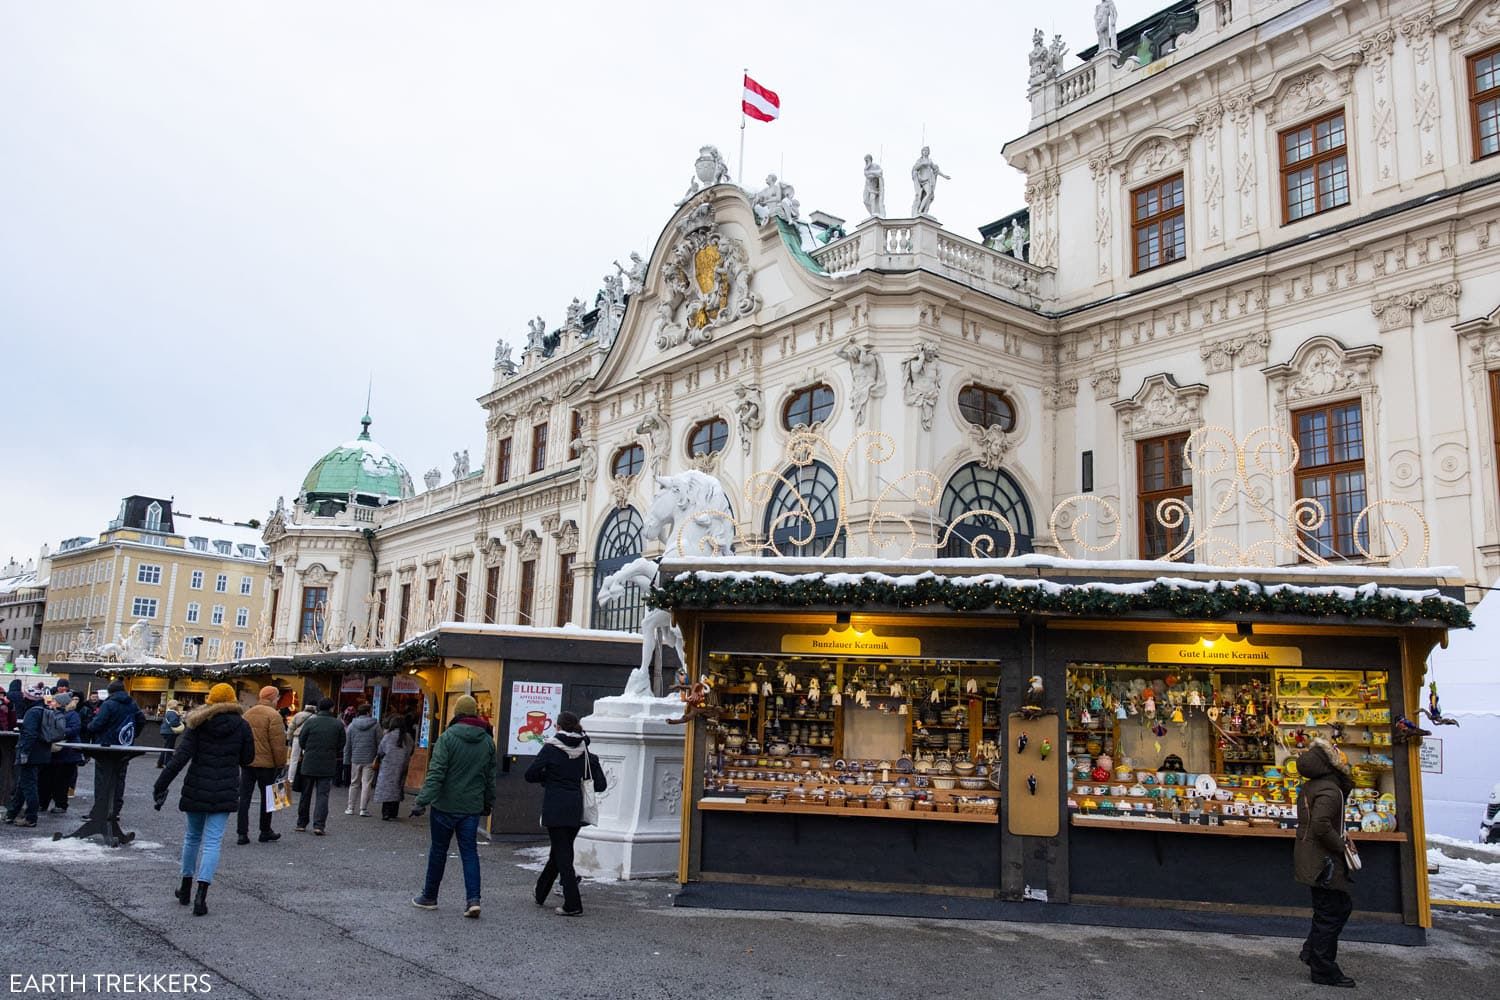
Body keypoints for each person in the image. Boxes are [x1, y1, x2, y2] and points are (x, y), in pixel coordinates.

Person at [153, 683, 254, 917]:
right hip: (225, 787)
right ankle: (202, 895)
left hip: (197, 786)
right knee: (212, 843)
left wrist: (161, 784)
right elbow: (248, 759)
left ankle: (185, 887)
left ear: (210, 700)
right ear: (232, 701)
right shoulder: (242, 725)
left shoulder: (197, 723)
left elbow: (180, 758)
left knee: (192, 838)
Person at [411, 695, 494, 918]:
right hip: (471, 807)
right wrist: (487, 803)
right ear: (475, 713)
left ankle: (429, 896)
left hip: (445, 805)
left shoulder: (447, 738)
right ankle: (473, 899)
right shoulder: (487, 741)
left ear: (457, 713)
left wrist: (421, 801)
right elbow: (489, 777)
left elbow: (436, 773)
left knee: (438, 851)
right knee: (469, 852)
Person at [525, 711, 606, 917]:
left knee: (563, 854)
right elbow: (601, 784)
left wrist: (549, 778)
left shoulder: (551, 748)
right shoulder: (586, 751)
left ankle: (573, 903)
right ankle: (540, 892)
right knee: (559, 851)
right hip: (576, 810)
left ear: (558, 727)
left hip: (555, 807)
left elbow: (530, 775)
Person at [1295, 736, 1358, 988]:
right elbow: (1321, 824)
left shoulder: (1312, 787)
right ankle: (1322, 968)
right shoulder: (1331, 790)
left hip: (1313, 858)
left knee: (1330, 909)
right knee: (1333, 911)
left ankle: (1313, 953)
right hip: (1324, 861)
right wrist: (1341, 845)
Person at [88, 679, 146, 822]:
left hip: (106, 746)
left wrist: (90, 727)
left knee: (102, 779)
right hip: (124, 746)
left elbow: (97, 724)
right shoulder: (132, 703)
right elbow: (141, 720)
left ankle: (100, 810)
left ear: (110, 691)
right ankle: (115, 810)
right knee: (119, 778)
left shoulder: (109, 704)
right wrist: (132, 735)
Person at [237, 686, 288, 845]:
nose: (278, 699)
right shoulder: (274, 715)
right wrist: (281, 764)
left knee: (244, 798)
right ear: (273, 697)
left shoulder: (247, 713)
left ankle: (242, 833)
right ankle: (265, 830)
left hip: (248, 762)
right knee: (270, 798)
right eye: (278, 696)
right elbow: (278, 745)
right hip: (267, 764)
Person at [4, 693, 58, 827]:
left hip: (31, 754)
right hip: (42, 753)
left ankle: (31, 817)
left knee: (29, 786)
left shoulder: (32, 713)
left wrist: (24, 752)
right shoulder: (44, 710)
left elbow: (30, 734)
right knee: (23, 785)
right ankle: (12, 814)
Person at [295, 698, 345, 836]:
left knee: (306, 794)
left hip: (309, 762)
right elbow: (341, 744)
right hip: (327, 763)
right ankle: (319, 825)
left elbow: (302, 741)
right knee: (322, 795)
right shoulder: (337, 724)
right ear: (332, 708)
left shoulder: (310, 722)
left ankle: (301, 823)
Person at [42, 692, 83, 814]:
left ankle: (60, 804)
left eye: (54, 701)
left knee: (61, 781)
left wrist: (59, 732)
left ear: (61, 703)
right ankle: (43, 803)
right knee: (47, 779)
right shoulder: (52, 712)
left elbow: (74, 729)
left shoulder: (72, 715)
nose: (52, 703)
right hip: (55, 752)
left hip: (67, 753)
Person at [343, 702, 382, 817]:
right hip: (370, 758)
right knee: (366, 784)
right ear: (368, 712)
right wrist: (379, 756)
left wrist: (346, 760)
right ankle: (363, 809)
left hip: (355, 758)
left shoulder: (351, 726)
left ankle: (350, 808)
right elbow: (380, 742)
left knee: (354, 783)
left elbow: (347, 745)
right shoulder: (375, 725)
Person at [373, 715, 415, 820]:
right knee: (397, 787)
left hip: (388, 766)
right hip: (402, 766)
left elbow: (380, 751)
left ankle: (386, 812)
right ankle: (394, 812)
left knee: (387, 788)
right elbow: (411, 750)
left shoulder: (388, 736)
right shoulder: (408, 737)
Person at [286, 701, 316, 785]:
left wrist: (289, 738)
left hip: (297, 737)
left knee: (294, 759)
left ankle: (290, 779)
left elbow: (291, 727)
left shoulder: (298, 714)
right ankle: (305, 779)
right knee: (307, 758)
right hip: (309, 739)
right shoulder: (315, 717)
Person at [158, 700, 185, 768]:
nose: (178, 706)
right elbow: (173, 723)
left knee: (165, 747)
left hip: (166, 731)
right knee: (169, 748)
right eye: (177, 705)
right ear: (174, 705)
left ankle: (160, 762)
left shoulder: (168, 712)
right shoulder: (173, 713)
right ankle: (167, 763)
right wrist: (180, 723)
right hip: (170, 732)